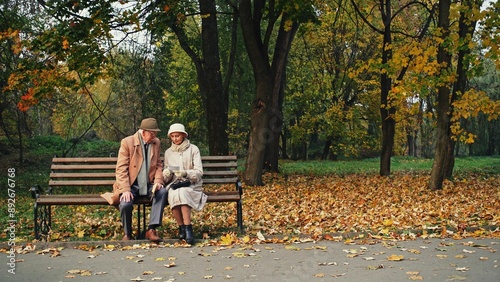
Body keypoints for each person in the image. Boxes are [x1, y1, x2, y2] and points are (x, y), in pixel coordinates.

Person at [112, 118, 167, 242]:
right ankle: (127, 233)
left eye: (155, 133)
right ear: (143, 132)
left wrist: (158, 181)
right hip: (131, 184)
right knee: (125, 204)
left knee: (162, 192)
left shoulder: (155, 142)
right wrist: (125, 189)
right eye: (152, 133)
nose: (154, 136)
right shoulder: (127, 142)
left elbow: (159, 164)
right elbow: (121, 169)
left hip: (148, 184)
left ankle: (151, 229)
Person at [163, 123, 207, 245]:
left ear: (183, 135)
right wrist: (166, 174)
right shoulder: (168, 153)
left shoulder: (193, 149)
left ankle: (188, 228)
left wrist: (185, 173)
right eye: (172, 136)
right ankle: (181, 226)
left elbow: (199, 172)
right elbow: (168, 175)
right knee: (173, 193)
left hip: (192, 184)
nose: (175, 138)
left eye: (177, 136)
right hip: (175, 184)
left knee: (182, 193)